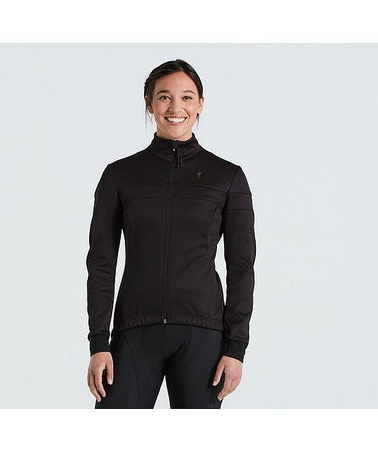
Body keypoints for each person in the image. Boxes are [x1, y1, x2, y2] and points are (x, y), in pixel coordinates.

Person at [85, 59, 256, 408]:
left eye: (187, 97)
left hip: (203, 334)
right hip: (135, 330)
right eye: (164, 97)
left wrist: (236, 347)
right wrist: (99, 343)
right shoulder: (120, 175)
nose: (176, 107)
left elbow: (241, 267)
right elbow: (101, 262)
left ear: (200, 104)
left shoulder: (227, 177)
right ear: (149, 103)